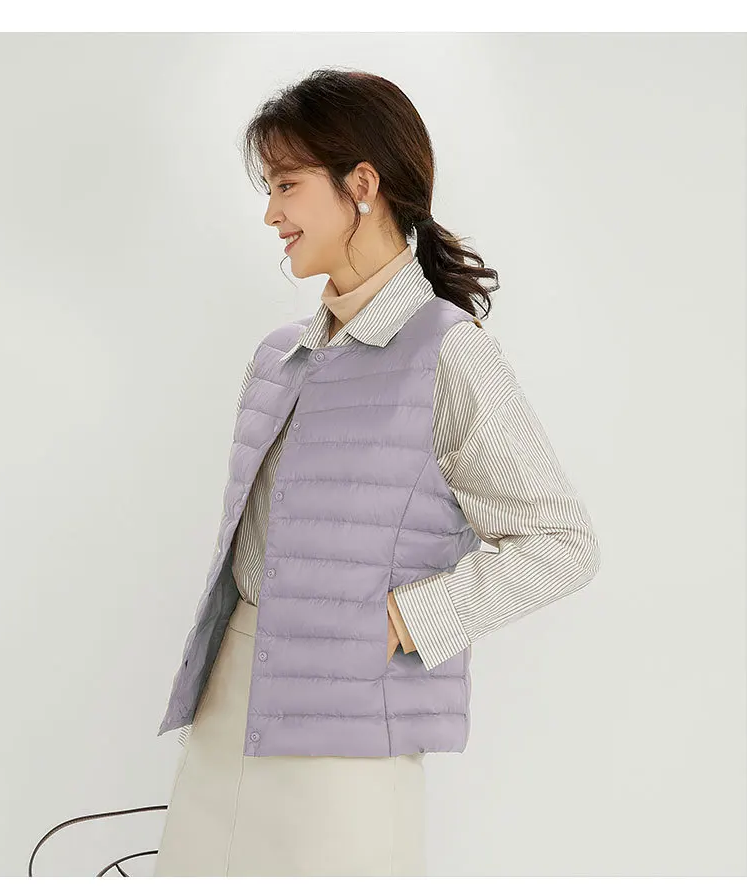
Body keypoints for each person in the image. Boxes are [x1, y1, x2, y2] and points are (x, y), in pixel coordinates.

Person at [152, 67, 601, 877]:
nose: (271, 213)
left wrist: (406, 619)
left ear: (361, 184)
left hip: (350, 739)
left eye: (287, 185)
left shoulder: (447, 352)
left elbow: (562, 542)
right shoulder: (278, 357)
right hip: (227, 710)